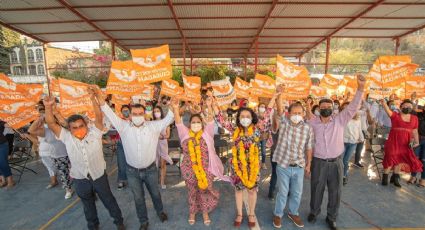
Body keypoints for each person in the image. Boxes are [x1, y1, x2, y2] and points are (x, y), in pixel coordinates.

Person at [43, 92, 124, 230]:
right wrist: (48, 107)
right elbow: (51, 123)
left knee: (109, 201)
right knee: (88, 206)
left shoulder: (96, 133)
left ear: (86, 125)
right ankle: (93, 226)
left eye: (81, 126)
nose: (79, 129)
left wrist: (93, 100)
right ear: (69, 129)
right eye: (74, 127)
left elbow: (99, 116)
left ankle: (119, 222)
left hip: (99, 176)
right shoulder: (67, 137)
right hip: (80, 179)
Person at [96, 89, 174, 230]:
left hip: (150, 170)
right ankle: (143, 222)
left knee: (155, 194)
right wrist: (99, 98)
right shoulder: (123, 127)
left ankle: (160, 211)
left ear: (144, 114)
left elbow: (169, 118)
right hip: (132, 172)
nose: (137, 116)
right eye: (134, 114)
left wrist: (174, 105)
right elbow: (108, 112)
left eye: (140, 114)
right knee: (138, 199)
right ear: (130, 116)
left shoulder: (153, 127)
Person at [307, 74, 366, 230]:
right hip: (318, 162)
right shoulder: (312, 122)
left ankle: (331, 217)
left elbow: (353, 106)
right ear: (319, 109)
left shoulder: (340, 119)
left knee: (336, 191)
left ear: (333, 108)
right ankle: (314, 212)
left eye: (329, 107)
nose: (326, 109)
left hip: (336, 163)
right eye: (323, 107)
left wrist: (360, 88)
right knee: (316, 189)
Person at [214, 94, 277, 228]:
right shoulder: (234, 129)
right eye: (242, 116)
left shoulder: (257, 128)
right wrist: (212, 104)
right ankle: (239, 214)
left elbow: (267, 113)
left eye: (248, 116)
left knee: (252, 191)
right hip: (237, 166)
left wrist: (275, 96)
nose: (245, 119)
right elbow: (220, 119)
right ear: (238, 119)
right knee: (238, 190)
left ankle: (252, 214)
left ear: (252, 118)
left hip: (253, 166)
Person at [172, 96, 227, 226]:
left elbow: (210, 120)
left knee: (204, 190)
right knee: (191, 191)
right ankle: (192, 212)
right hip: (189, 169)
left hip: (206, 169)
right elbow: (178, 122)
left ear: (201, 124)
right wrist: (175, 108)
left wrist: (208, 106)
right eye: (193, 122)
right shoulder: (184, 133)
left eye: (198, 122)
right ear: (189, 124)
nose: (196, 124)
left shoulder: (206, 133)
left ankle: (204, 212)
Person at [272, 85, 314, 229]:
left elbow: (309, 147)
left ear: (303, 114)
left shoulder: (307, 128)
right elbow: (278, 110)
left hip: (299, 166)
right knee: (283, 192)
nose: (297, 115)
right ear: (289, 114)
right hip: (283, 165)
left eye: (299, 113)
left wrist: (308, 164)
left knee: (297, 193)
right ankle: (278, 214)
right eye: (294, 112)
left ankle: (293, 212)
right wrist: (279, 95)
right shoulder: (284, 123)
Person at [28, 101, 74, 198]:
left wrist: (54, 112)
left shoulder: (62, 126)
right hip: (56, 155)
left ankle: (83, 187)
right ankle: (68, 189)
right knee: (63, 172)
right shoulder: (46, 130)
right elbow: (31, 130)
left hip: (70, 153)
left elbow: (67, 125)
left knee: (75, 171)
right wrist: (40, 118)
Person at [380, 99, 423, 187]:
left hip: (405, 143)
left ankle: (395, 178)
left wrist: (417, 141)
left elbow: (415, 131)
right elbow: (388, 111)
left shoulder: (414, 118)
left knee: (399, 160)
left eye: (410, 107)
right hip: (393, 142)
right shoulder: (395, 115)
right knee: (390, 158)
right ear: (401, 107)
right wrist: (384, 104)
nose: (408, 108)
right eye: (406, 106)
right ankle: (385, 177)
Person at [340, 102, 363, 186]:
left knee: (345, 160)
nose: (346, 110)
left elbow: (359, 129)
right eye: (344, 108)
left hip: (353, 143)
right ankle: (340, 175)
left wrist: (361, 138)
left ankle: (344, 175)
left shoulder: (357, 118)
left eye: (348, 108)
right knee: (341, 160)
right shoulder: (341, 119)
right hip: (342, 142)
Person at [153, 106, 172, 189]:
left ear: (161, 112)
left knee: (163, 164)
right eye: (155, 111)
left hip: (163, 144)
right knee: (154, 163)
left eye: (158, 110)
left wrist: (162, 137)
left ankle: (162, 181)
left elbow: (168, 135)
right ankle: (154, 180)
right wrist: (156, 135)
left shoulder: (166, 123)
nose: (156, 112)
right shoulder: (152, 123)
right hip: (154, 145)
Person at [409, 105, 425, 187]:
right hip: (417, 140)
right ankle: (413, 177)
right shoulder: (418, 115)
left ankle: (423, 179)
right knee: (415, 159)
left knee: (424, 160)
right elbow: (410, 112)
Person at [116, 105, 130, 190]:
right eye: (124, 111)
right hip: (121, 144)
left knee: (132, 163)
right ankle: (121, 180)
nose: (125, 112)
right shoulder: (119, 121)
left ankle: (134, 180)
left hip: (131, 144)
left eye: (127, 110)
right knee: (121, 163)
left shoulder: (134, 120)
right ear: (121, 113)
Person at [257, 102, 273, 170]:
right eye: (261, 106)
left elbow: (269, 125)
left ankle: (263, 163)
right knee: (256, 150)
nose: (262, 108)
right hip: (256, 135)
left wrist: (269, 134)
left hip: (264, 135)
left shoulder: (267, 116)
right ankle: (257, 163)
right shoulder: (255, 115)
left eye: (263, 106)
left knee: (263, 150)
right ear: (258, 107)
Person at [0, 120, 15, 189]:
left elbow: (9, 125)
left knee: (3, 163)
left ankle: (10, 180)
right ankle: (3, 180)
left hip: (2, 144)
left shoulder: (1, 121)